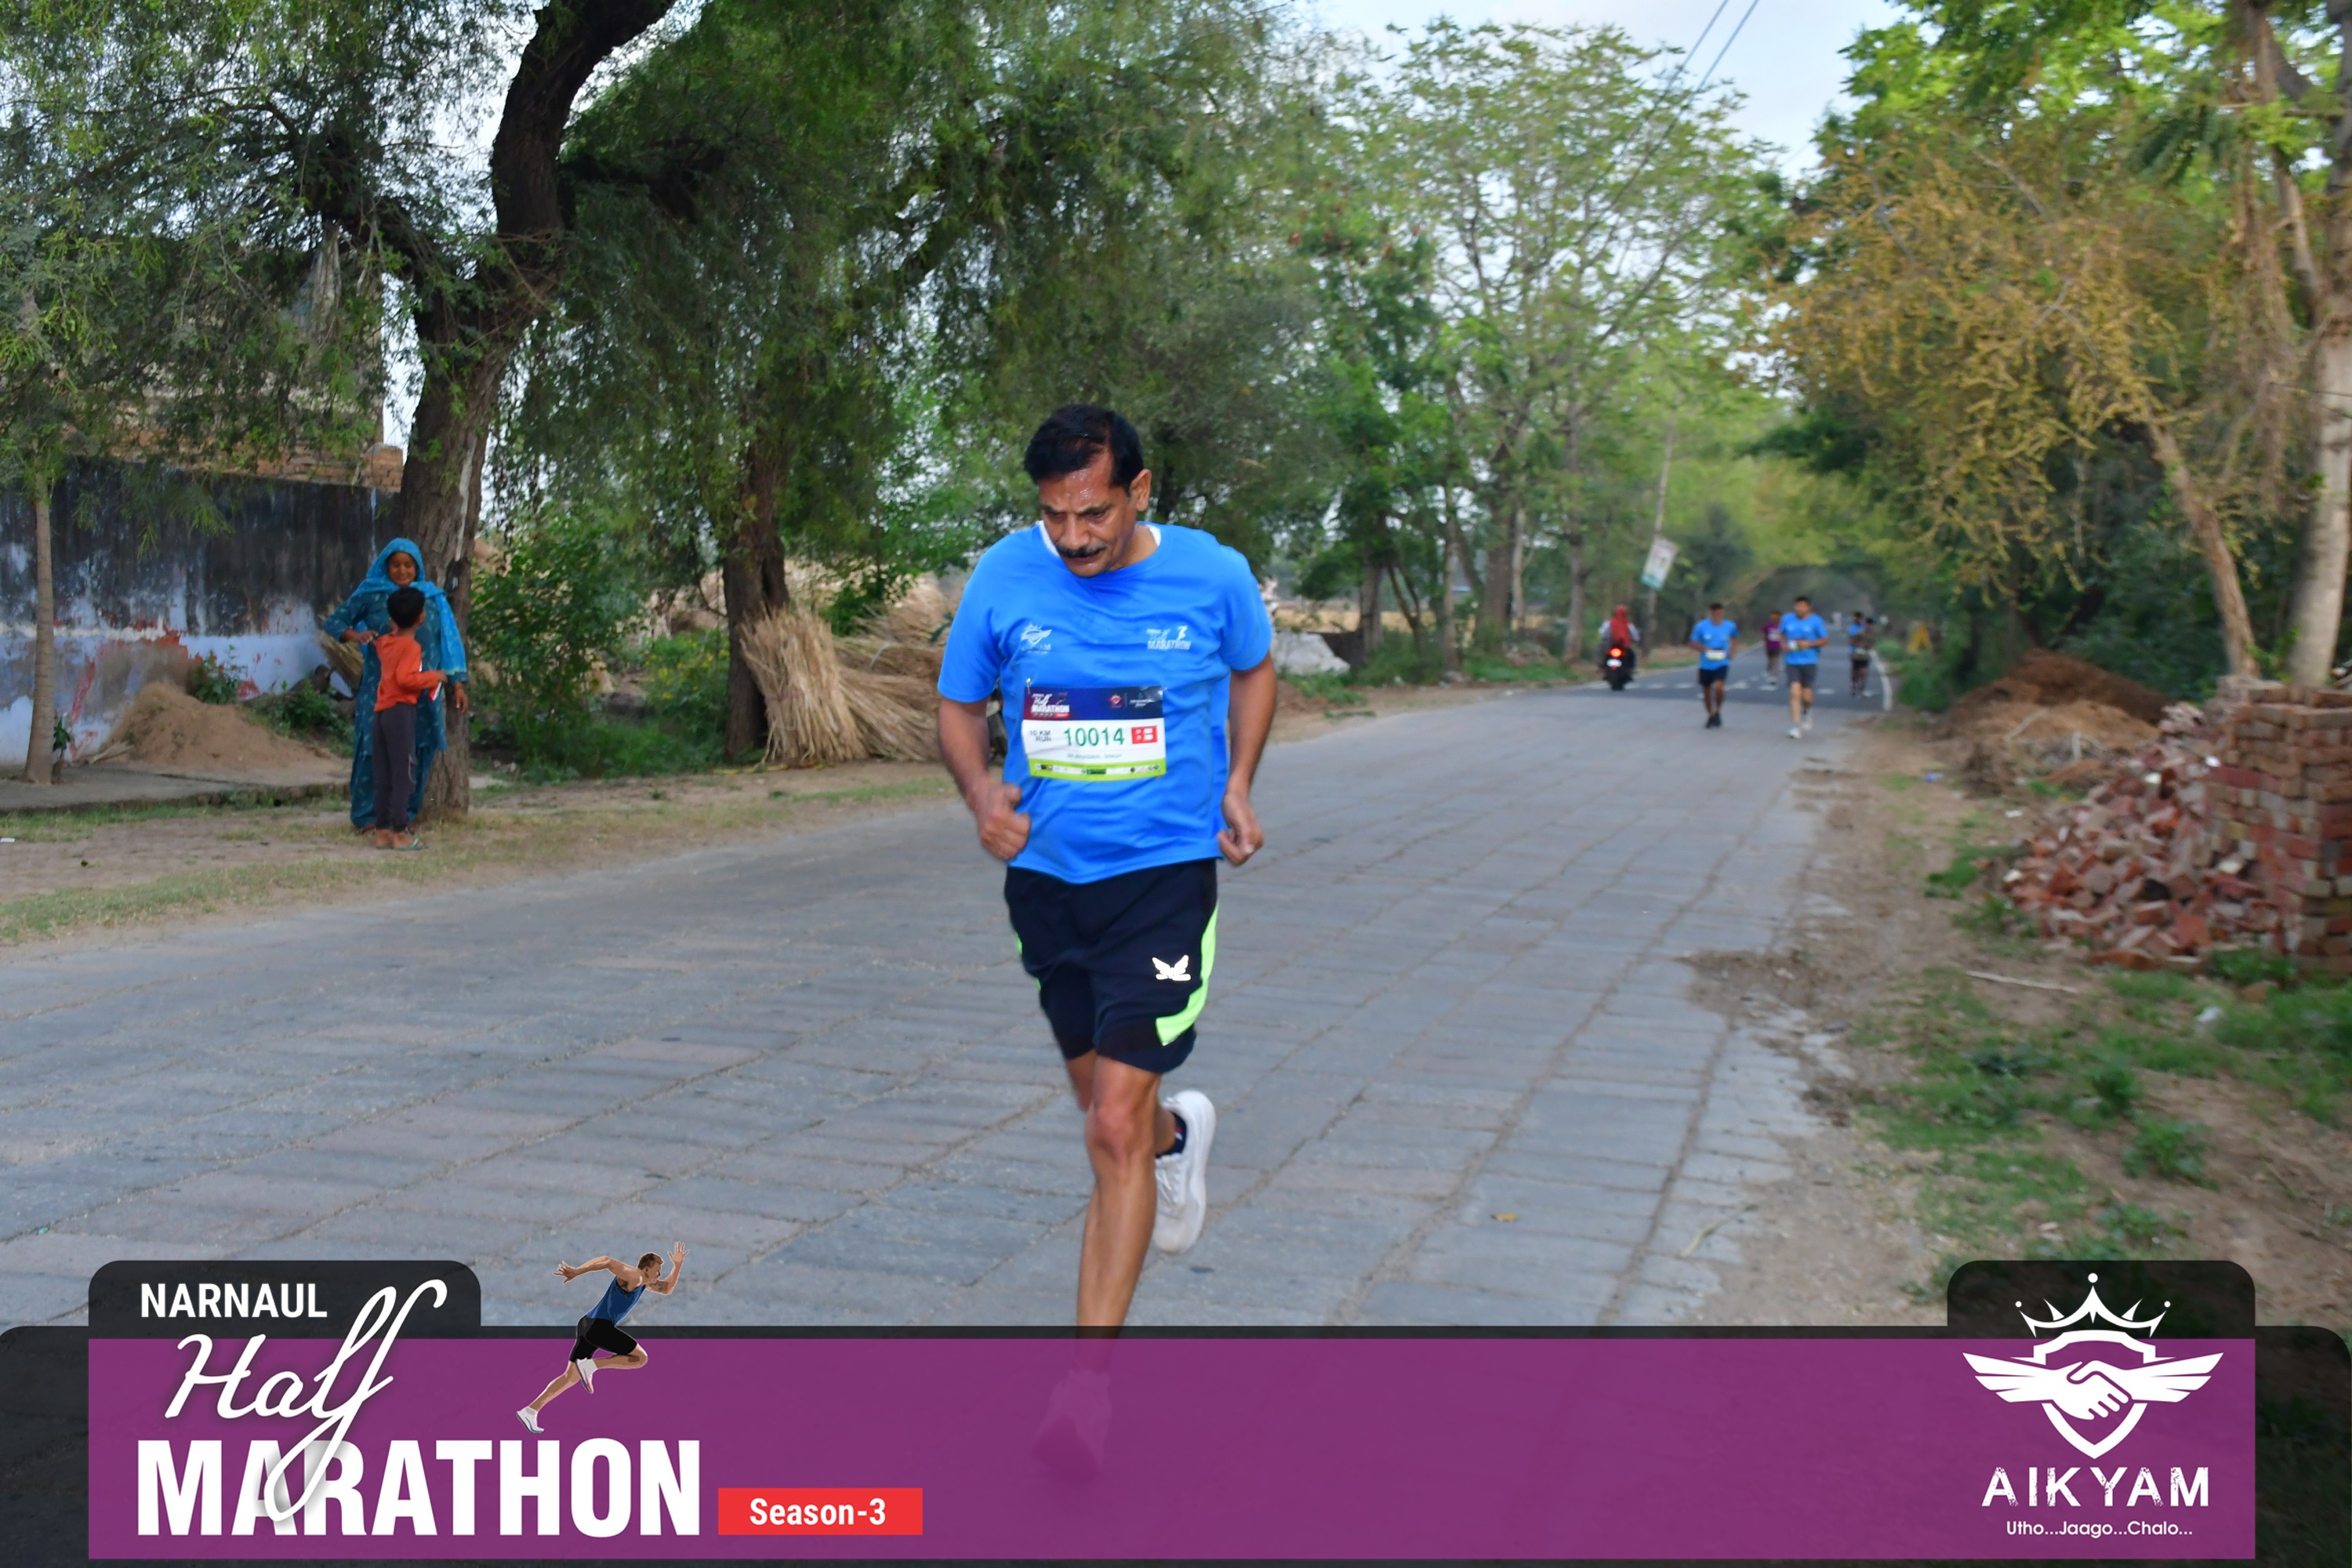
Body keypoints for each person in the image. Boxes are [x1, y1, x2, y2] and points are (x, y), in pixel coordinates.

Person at [936, 405, 1275, 1463]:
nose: (1074, 538)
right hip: (1048, 885)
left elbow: (1256, 666)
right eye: (1055, 516)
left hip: (1164, 879)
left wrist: (1239, 781)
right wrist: (980, 795)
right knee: (1107, 1108)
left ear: (1139, 489)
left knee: (1109, 1127)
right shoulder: (1004, 575)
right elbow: (958, 705)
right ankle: (1178, 1139)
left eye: (1093, 513)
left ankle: (1084, 1392)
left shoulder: (1213, 574)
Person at [324, 539, 469, 832]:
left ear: (418, 568)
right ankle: (367, 817)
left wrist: (457, 684)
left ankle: (405, 816)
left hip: (424, 692)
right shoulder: (371, 594)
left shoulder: (432, 598)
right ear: (385, 566)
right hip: (380, 691)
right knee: (372, 749)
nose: (402, 571)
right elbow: (335, 623)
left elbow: (448, 641)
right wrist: (357, 636)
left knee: (420, 748)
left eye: (408, 565)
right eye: (395, 565)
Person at [517, 1245, 686, 1432]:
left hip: (587, 1325)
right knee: (640, 1358)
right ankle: (592, 1366)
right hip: (599, 1327)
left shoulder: (644, 1283)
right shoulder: (635, 1277)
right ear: (646, 1269)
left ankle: (530, 1411)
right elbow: (607, 1261)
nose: (660, 1274)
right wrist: (578, 1271)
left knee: (570, 1377)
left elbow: (667, 1288)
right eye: (657, 1270)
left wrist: (678, 1265)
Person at [369, 586, 450, 850]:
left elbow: (383, 647)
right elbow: (406, 679)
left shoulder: (386, 643)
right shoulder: (411, 647)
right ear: (421, 618)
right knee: (404, 772)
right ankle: (400, 831)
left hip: (381, 712)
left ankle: (382, 830)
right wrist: (434, 677)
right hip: (400, 712)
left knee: (383, 772)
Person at [1780, 594, 1828, 738]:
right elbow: (1781, 635)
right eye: (1797, 606)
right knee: (1795, 692)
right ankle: (1796, 726)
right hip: (1792, 661)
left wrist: (1809, 644)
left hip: (1809, 661)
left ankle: (1807, 712)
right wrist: (1784, 645)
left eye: (1802, 606)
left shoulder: (1816, 621)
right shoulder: (1787, 619)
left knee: (1807, 697)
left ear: (1808, 607)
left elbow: (1825, 640)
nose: (1799, 609)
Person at [1688, 602, 1737, 729]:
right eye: (1715, 613)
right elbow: (1692, 642)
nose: (1717, 615)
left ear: (1723, 613)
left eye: (1720, 613)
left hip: (1722, 662)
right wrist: (1704, 648)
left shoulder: (1730, 626)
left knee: (1719, 687)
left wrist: (1732, 651)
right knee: (1707, 690)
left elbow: (1735, 638)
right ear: (1711, 613)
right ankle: (1711, 714)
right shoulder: (1701, 626)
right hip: (1706, 664)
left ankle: (1718, 710)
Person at [1601, 604, 1639, 675]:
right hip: (1623, 646)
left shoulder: (1609, 623)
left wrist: (1605, 639)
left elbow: (1604, 633)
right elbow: (1634, 635)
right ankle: (1631, 668)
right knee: (1632, 655)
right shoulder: (1628, 624)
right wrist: (1635, 639)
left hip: (1611, 645)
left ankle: (1602, 667)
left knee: (1603, 653)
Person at [1847, 612, 1874, 699]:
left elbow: (1872, 643)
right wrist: (1859, 645)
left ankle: (1861, 691)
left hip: (1865, 656)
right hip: (1856, 654)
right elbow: (1852, 641)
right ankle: (1853, 685)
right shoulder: (1857, 631)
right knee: (1855, 672)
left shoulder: (1871, 633)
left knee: (1863, 673)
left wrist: (1868, 646)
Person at [1760, 612, 1783, 688]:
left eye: (1777, 616)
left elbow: (1784, 635)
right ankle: (1769, 673)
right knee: (1770, 661)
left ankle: (1774, 677)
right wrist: (1765, 643)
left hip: (1778, 646)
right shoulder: (1768, 626)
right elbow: (1764, 635)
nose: (1775, 617)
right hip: (1769, 646)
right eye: (1773, 616)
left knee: (1776, 661)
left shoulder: (1781, 626)